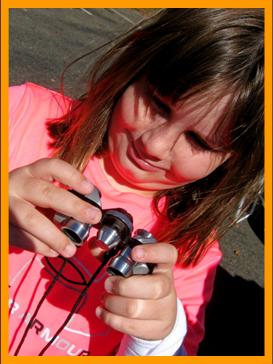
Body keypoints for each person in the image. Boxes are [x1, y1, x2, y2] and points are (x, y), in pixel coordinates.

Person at [8, 8, 264, 356]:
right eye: (157, 104)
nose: (154, 145)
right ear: (134, 67)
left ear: (234, 161)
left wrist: (156, 339)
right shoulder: (19, 115)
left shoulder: (189, 256)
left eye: (199, 141)